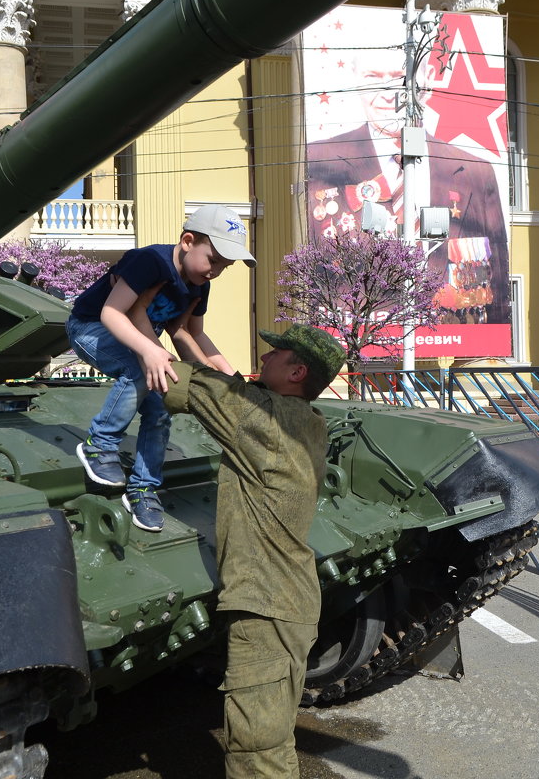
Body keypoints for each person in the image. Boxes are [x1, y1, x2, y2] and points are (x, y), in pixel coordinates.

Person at [161, 324, 345, 779]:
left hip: (267, 606)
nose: (263, 357)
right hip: (286, 602)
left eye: (275, 353)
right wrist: (184, 331)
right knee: (271, 740)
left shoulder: (264, 421)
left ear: (297, 372)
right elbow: (224, 382)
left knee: (257, 749)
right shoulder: (305, 420)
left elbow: (176, 378)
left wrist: (137, 319)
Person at [65, 204, 255, 531]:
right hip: (91, 328)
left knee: (161, 405)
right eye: (213, 260)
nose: (215, 271)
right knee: (138, 372)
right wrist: (150, 350)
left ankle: (143, 487)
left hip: (138, 340)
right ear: (188, 241)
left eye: (225, 266)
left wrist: (227, 376)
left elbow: (189, 333)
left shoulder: (198, 283)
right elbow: (112, 313)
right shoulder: (150, 261)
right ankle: (100, 445)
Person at [306, 48, 509, 325]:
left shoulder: (474, 171)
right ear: (356, 82)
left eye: (401, 79)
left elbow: (496, 283)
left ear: (426, 80)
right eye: (372, 78)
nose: (388, 94)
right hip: (358, 336)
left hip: (449, 338)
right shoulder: (318, 160)